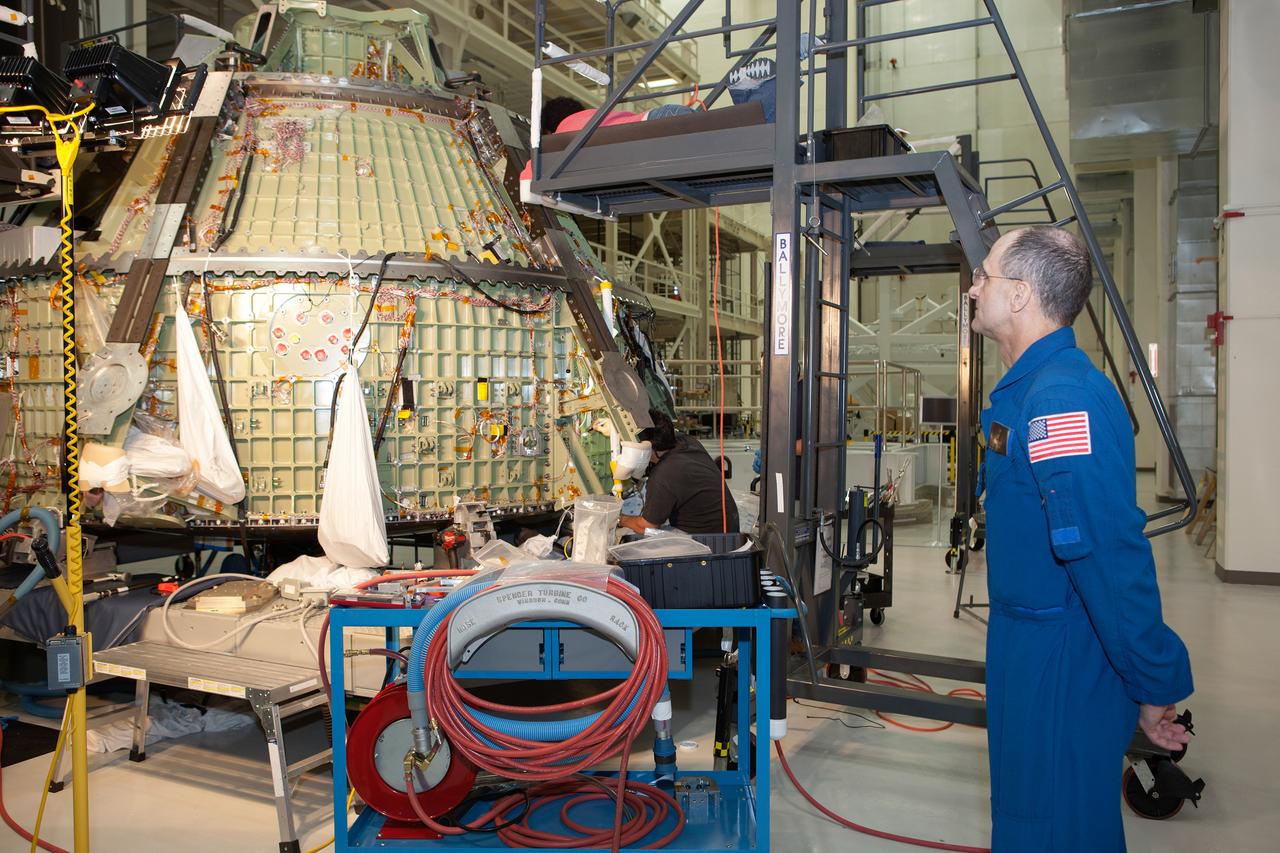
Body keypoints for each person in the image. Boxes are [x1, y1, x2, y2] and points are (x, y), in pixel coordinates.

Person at [969, 225, 1192, 852]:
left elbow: (1106, 555)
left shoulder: (1060, 403)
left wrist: (1153, 680)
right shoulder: (1030, 392)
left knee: (1051, 828)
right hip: (1028, 640)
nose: (972, 287)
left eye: (984, 275)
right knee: (1028, 816)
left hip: (1060, 656)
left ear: (1018, 295)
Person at [619, 409, 738, 536]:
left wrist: (620, 519)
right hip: (727, 529)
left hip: (708, 542)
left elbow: (647, 527)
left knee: (629, 537)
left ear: (646, 446)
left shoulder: (664, 474)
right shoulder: (688, 442)